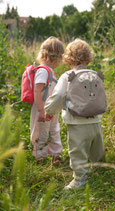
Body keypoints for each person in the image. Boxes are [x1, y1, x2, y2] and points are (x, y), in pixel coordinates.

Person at [45, 39, 105, 189]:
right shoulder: (95, 74)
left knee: (77, 151)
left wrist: (49, 110)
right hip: (96, 121)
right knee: (96, 149)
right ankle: (99, 171)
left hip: (76, 122)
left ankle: (79, 180)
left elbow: (58, 96)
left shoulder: (68, 76)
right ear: (88, 58)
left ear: (68, 58)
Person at [30, 36, 64, 164]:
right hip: (42, 108)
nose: (60, 62)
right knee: (41, 132)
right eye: (60, 58)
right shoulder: (43, 71)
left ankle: (56, 154)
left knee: (54, 130)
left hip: (51, 109)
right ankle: (40, 156)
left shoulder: (50, 71)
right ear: (55, 57)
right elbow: (37, 90)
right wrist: (40, 110)